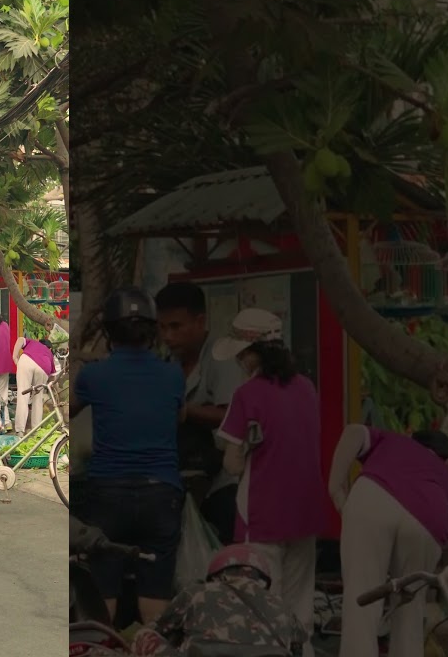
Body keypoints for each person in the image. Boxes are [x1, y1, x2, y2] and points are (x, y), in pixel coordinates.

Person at [212, 308, 326, 657]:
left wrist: (241, 454)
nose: (240, 362)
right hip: (306, 512)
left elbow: (232, 464)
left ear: (253, 354)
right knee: (300, 606)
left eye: (242, 355)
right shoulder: (306, 387)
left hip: (262, 511)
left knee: (264, 606)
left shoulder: (248, 395)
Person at [73, 286, 185, 624]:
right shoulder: (173, 374)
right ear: (152, 331)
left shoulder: (93, 376)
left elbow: (70, 411)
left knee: (101, 601)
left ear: (109, 331)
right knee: (155, 603)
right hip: (161, 494)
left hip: (109, 494)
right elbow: (178, 417)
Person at [329, 425, 448, 657]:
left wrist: (335, 487)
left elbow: (352, 431)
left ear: (413, 439)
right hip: (427, 522)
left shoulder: (395, 440)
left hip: (373, 499)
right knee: (411, 614)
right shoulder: (446, 479)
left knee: (361, 602)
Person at [155, 281, 248, 543]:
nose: (168, 336)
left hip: (224, 483)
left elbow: (231, 415)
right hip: (183, 480)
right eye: (162, 327)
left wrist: (185, 411)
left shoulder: (222, 359)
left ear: (200, 321)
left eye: (176, 326)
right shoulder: (168, 361)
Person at [130, 544, 308, 657]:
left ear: (217, 573)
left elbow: (161, 628)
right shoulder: (282, 606)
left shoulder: (198, 593)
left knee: (144, 635)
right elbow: (297, 648)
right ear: (262, 577)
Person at [11, 332, 56, 436]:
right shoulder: (49, 354)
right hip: (43, 367)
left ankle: (20, 431)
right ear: (49, 348)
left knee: (23, 395)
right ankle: (36, 430)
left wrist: (14, 356)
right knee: (38, 399)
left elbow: (20, 339)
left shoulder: (33, 342)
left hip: (26, 361)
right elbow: (53, 377)